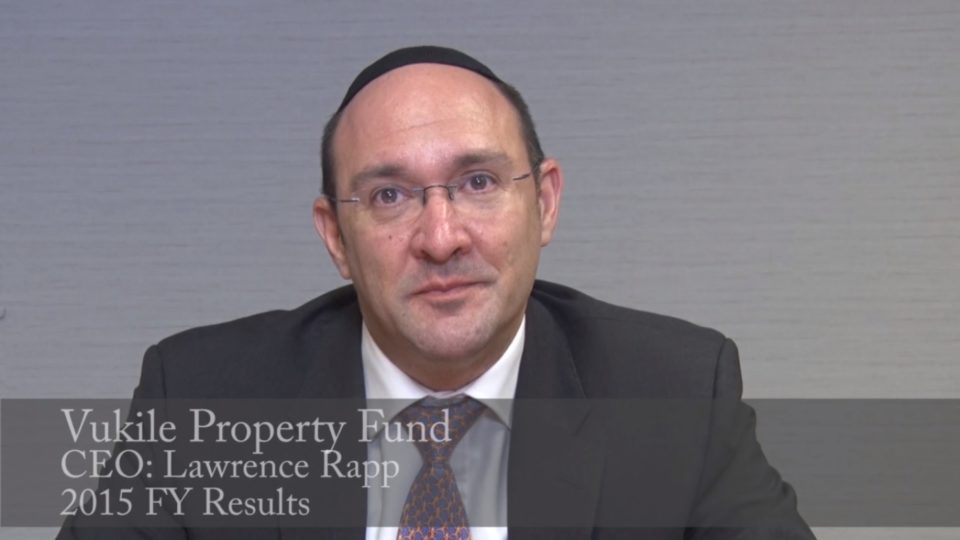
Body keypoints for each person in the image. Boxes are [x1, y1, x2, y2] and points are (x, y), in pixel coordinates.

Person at [58, 46, 815, 539]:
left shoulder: (674, 393)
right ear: (336, 237)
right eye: (389, 196)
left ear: (545, 202)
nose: (442, 236)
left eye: (478, 182)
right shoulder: (202, 400)